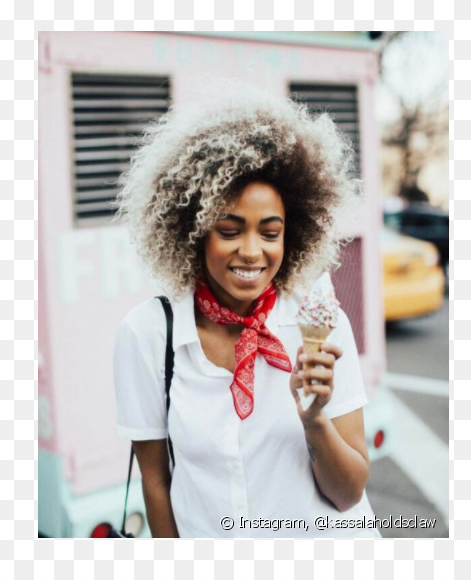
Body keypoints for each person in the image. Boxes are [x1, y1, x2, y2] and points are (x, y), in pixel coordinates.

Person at [112, 86, 382, 538]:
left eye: (270, 233)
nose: (252, 252)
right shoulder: (148, 335)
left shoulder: (321, 324)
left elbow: (349, 493)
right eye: (229, 230)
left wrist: (315, 419)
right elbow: (156, 482)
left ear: (291, 236)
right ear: (194, 232)